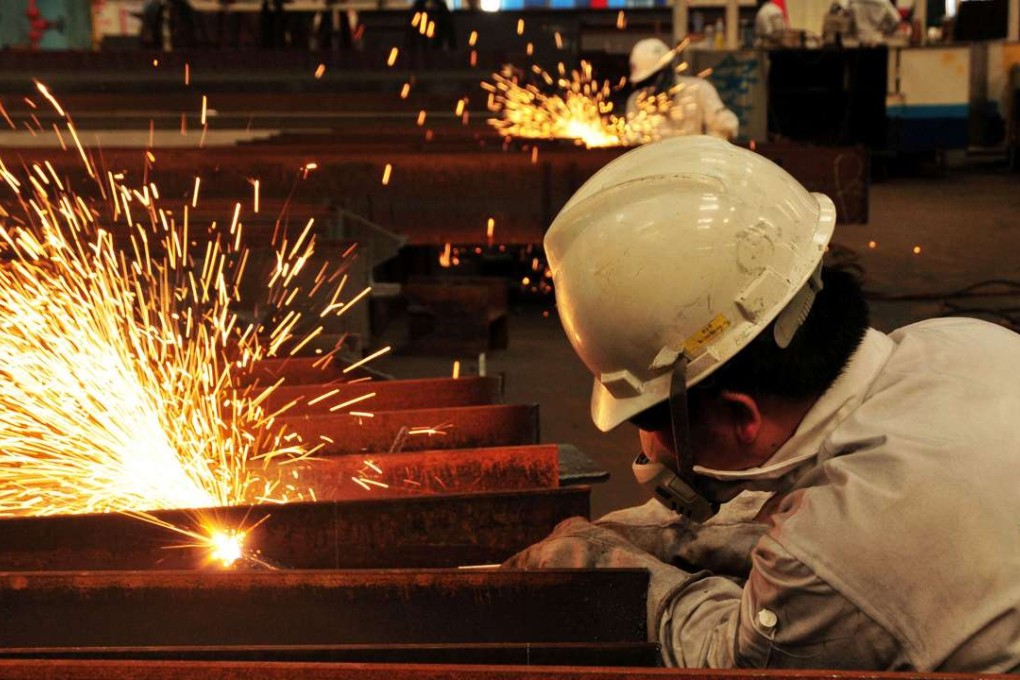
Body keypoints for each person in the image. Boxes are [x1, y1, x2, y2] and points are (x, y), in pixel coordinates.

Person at [506, 136, 1020, 671]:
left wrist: (607, 568)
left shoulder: (826, 561)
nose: (648, 447)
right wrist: (680, 535)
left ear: (740, 415)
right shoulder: (965, 339)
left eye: (649, 419)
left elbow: (722, 653)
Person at [625, 38, 738, 142]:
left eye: (652, 79)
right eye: (644, 82)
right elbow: (633, 143)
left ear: (666, 72)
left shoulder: (698, 89)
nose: (650, 88)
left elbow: (727, 126)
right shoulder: (635, 102)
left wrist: (707, 149)